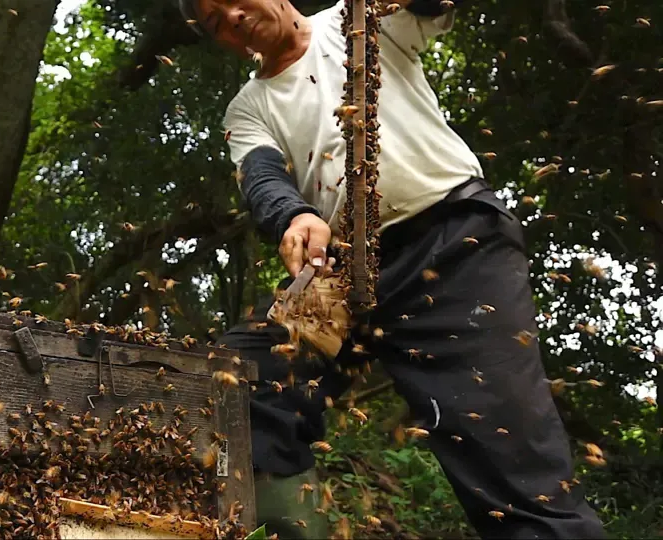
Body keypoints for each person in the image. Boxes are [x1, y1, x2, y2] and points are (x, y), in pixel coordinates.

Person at [176, 0, 607, 538]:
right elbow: (262, 176)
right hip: (340, 279)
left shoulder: (359, 18)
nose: (234, 16)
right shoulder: (248, 107)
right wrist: (295, 213)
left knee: (509, 460)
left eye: (235, 0)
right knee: (236, 384)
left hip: (453, 246)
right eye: (216, 20)